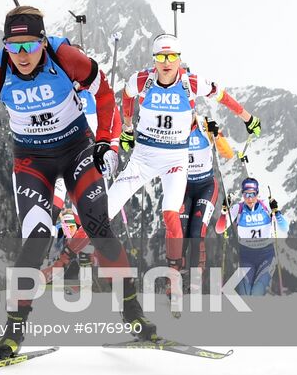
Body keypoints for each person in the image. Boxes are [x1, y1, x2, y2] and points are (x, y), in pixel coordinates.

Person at [0, 5, 154, 359]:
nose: (21, 55)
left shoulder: (66, 56)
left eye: (29, 46)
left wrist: (105, 141)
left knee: (98, 226)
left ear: (43, 41)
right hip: (31, 162)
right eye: (13, 46)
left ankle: (132, 312)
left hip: (76, 151)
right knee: (36, 237)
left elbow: (105, 95)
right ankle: (13, 331)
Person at [107, 33, 260, 292]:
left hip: (177, 163)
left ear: (179, 59)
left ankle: (175, 277)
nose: (166, 62)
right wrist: (127, 128)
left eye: (172, 57)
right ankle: (65, 262)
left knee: (179, 220)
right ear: (154, 59)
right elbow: (126, 94)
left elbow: (221, 95)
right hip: (143, 157)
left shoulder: (192, 85)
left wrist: (246, 117)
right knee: (105, 211)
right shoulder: (142, 80)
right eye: (161, 57)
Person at [180, 115, 237, 288]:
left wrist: (217, 136)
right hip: (183, 187)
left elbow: (228, 153)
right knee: (180, 233)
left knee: (196, 232)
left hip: (206, 187)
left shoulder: (205, 126)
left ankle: (195, 280)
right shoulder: (173, 127)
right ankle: (175, 278)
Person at [218, 177, 289, 295]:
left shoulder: (266, 205)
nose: (249, 198)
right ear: (242, 194)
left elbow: (284, 228)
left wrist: (276, 212)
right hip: (246, 257)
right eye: (246, 195)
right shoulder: (238, 208)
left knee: (257, 292)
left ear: (257, 193)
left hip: (266, 257)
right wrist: (224, 212)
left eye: (252, 194)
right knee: (244, 293)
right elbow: (219, 229)